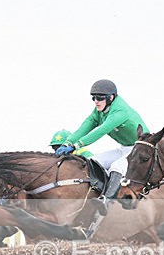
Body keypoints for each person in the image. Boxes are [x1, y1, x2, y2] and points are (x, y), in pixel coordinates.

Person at [54, 79, 148, 215]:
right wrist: (67, 143)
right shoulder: (100, 110)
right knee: (93, 161)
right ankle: (95, 192)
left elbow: (101, 131)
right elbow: (86, 125)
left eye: (99, 98)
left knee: (116, 166)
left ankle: (106, 200)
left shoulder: (120, 111)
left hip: (139, 150)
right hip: (124, 147)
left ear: (111, 97)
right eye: (93, 98)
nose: (96, 101)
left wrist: (76, 145)